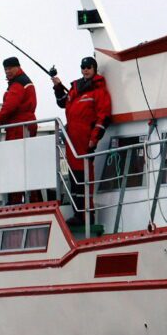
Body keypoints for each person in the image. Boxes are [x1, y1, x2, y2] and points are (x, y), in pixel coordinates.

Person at [52, 56, 112, 223]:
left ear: (94, 69)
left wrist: (94, 139)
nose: (85, 70)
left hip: (85, 143)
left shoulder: (99, 91)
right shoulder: (75, 89)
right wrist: (57, 87)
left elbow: (103, 117)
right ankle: (78, 213)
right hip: (72, 142)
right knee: (74, 179)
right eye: (83, 67)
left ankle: (87, 214)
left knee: (85, 179)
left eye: (88, 67)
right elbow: (63, 103)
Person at [0, 57, 37, 140]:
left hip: (18, 127)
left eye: (10, 68)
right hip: (27, 125)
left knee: (14, 152)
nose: (7, 71)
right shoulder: (23, 81)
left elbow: (9, 107)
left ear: (18, 67)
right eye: (5, 69)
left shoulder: (17, 84)